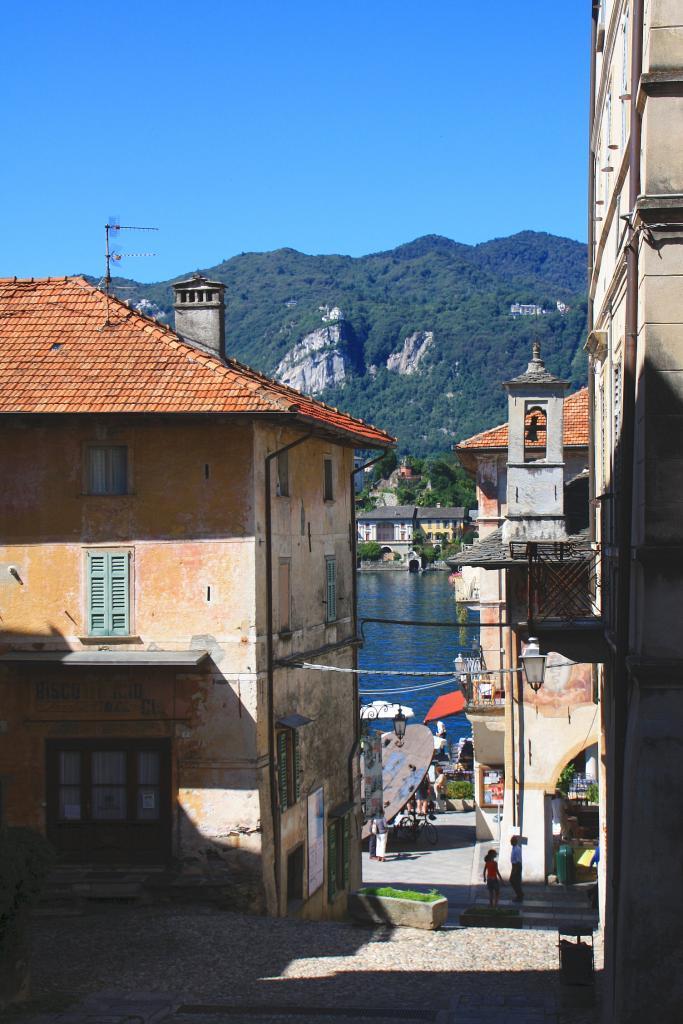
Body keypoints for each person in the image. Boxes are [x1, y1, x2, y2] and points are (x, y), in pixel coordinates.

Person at [510, 835, 524, 902]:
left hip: (517, 866)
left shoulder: (517, 849)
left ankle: (519, 895)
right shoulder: (513, 848)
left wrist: (515, 870)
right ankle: (519, 894)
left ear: (515, 841)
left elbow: (518, 861)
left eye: (512, 841)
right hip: (514, 866)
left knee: (515, 881)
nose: (511, 842)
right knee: (513, 881)